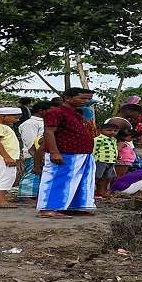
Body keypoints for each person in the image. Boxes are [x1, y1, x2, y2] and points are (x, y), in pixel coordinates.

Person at [37, 87, 97, 219]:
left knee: (78, 181)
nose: (85, 101)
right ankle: (48, 208)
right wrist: (54, 152)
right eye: (82, 98)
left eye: (88, 98)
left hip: (81, 154)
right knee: (57, 181)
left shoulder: (76, 112)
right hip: (65, 153)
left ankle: (73, 206)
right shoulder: (55, 112)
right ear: (67, 98)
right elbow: (49, 132)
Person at [17, 101, 52, 199]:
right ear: (41, 111)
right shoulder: (30, 124)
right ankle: (26, 196)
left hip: (43, 154)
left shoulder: (44, 122)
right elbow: (30, 143)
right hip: (34, 154)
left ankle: (36, 195)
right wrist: (37, 156)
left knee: (40, 176)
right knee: (32, 175)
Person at [92, 123, 119, 198]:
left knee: (106, 177)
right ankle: (90, 191)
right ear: (100, 130)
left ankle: (100, 192)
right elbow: (94, 150)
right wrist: (93, 159)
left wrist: (116, 157)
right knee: (97, 176)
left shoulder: (114, 140)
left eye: (115, 131)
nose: (112, 132)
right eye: (109, 130)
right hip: (100, 160)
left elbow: (115, 149)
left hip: (111, 161)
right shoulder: (98, 139)